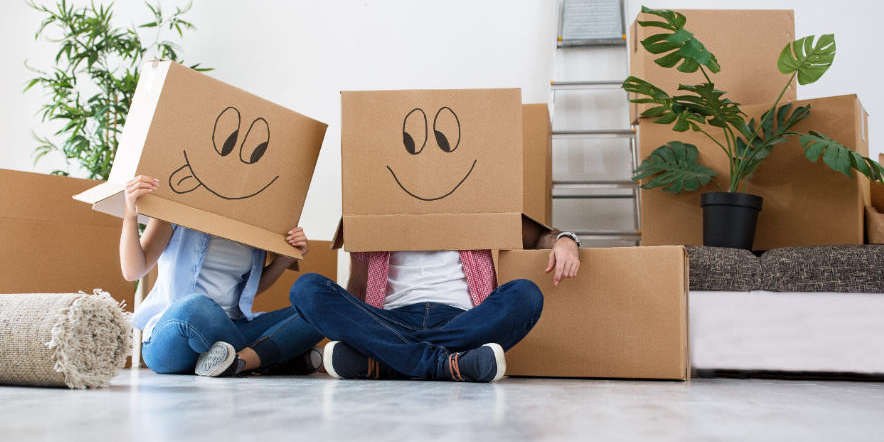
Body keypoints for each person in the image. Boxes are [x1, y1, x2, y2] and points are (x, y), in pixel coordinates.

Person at [289, 222, 581, 383]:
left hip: (464, 321)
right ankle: (445, 364)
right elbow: (360, 287)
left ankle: (390, 364)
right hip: (393, 323)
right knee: (306, 289)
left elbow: (541, 234)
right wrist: (358, 328)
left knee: (525, 294)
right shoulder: (372, 205)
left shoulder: (478, 194)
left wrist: (566, 240)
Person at [122, 175, 325, 377]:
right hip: (175, 337)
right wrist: (130, 213)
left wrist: (285, 259)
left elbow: (250, 290)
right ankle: (270, 357)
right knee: (194, 306)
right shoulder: (177, 205)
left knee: (321, 307)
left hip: (233, 328)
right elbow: (133, 271)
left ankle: (239, 361)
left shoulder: (257, 221)